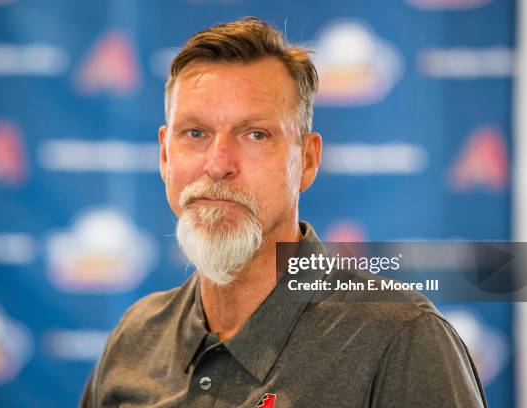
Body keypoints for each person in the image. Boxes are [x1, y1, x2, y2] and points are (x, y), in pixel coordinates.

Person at [79, 17, 487, 408]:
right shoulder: (136, 336)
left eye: (255, 134)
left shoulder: (402, 339)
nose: (218, 163)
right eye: (196, 134)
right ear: (166, 155)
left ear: (307, 160)